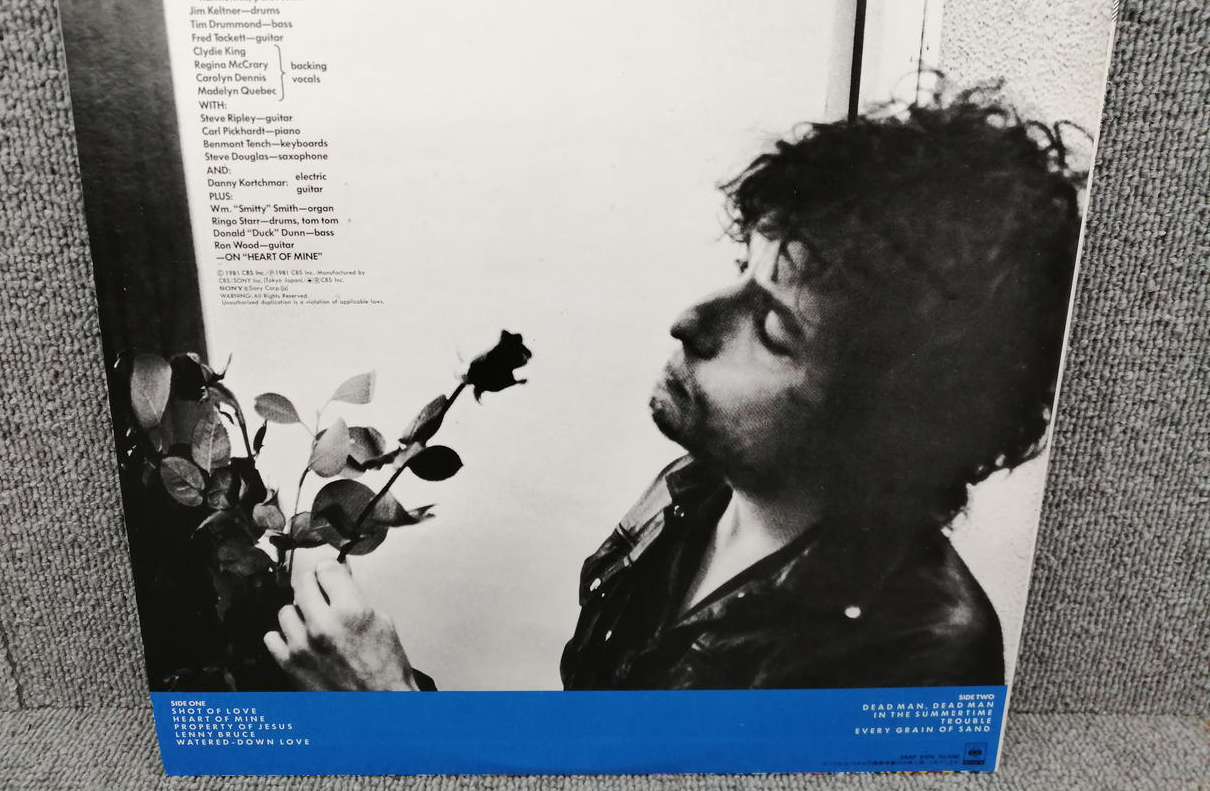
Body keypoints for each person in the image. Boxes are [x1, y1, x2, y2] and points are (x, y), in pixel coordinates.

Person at [264, 87, 1085, 691]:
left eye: (773, 327)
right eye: (741, 270)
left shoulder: (915, 658)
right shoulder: (694, 491)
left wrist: (387, 710)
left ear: (884, 420)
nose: (689, 319)